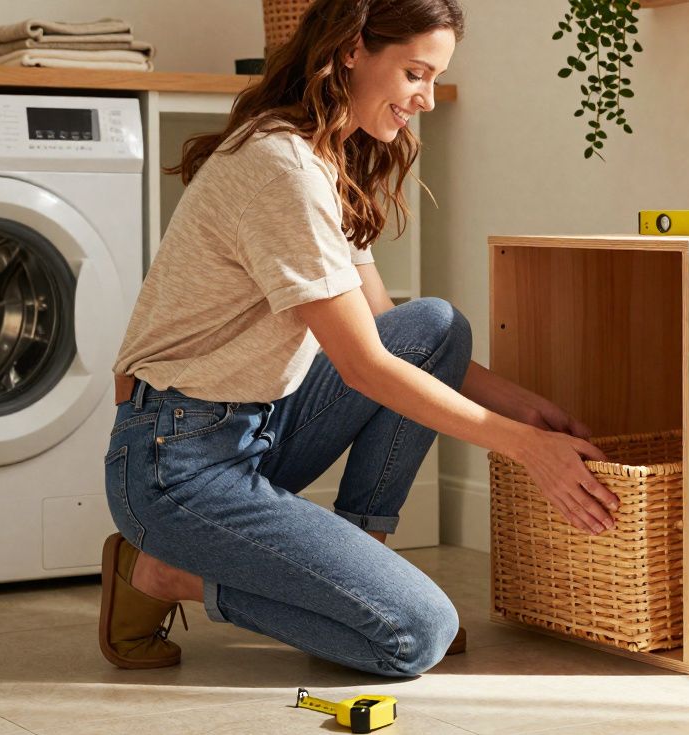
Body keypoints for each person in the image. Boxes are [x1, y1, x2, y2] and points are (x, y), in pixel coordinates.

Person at [98, 0, 620, 678]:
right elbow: (365, 368)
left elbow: (389, 334)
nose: (426, 100)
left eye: (433, 78)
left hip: (253, 430)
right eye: (414, 73)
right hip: (176, 462)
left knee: (436, 326)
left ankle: (359, 555)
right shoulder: (280, 168)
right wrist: (528, 449)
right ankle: (166, 574)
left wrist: (520, 406)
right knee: (414, 633)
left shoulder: (328, 159)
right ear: (352, 51)